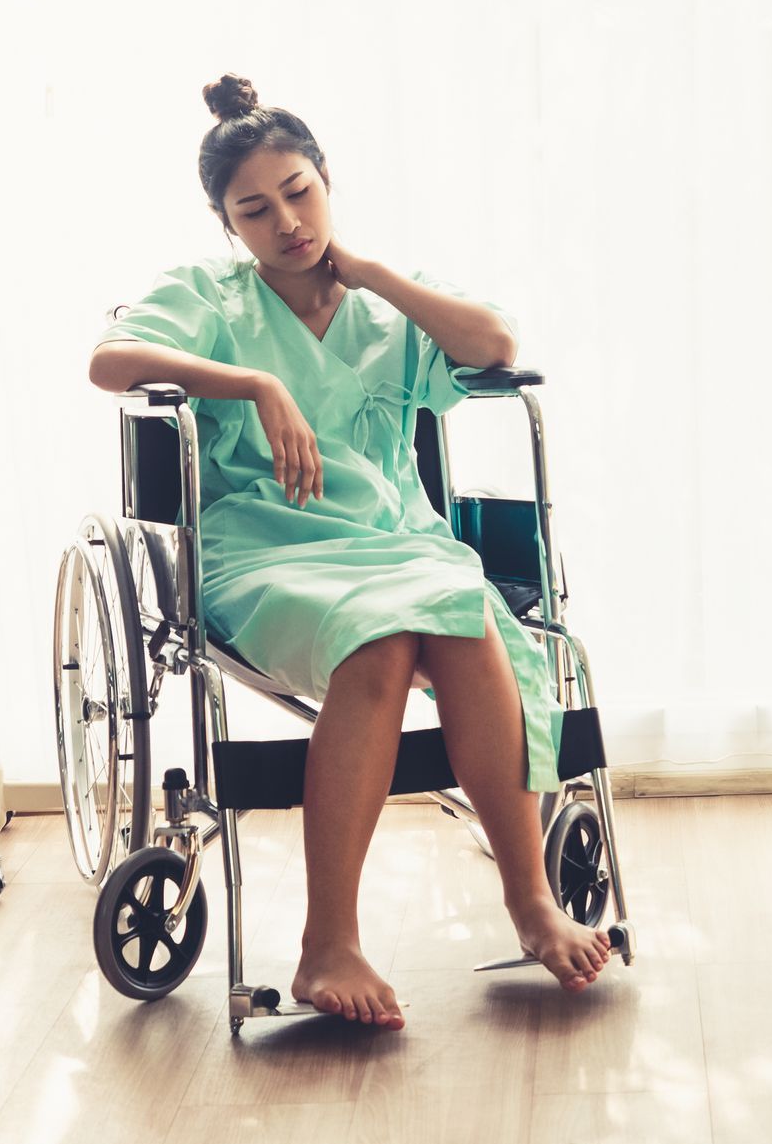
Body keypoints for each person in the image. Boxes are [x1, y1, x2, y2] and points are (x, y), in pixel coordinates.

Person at [88, 74, 609, 1027]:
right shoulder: (210, 295)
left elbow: (493, 342)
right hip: (262, 546)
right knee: (382, 636)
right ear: (227, 224)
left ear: (327, 179)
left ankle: (530, 901)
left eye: (300, 190)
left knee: (456, 615)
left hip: (393, 537)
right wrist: (251, 382)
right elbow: (110, 362)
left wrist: (366, 273)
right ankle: (329, 941)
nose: (286, 220)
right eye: (255, 208)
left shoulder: (380, 309)